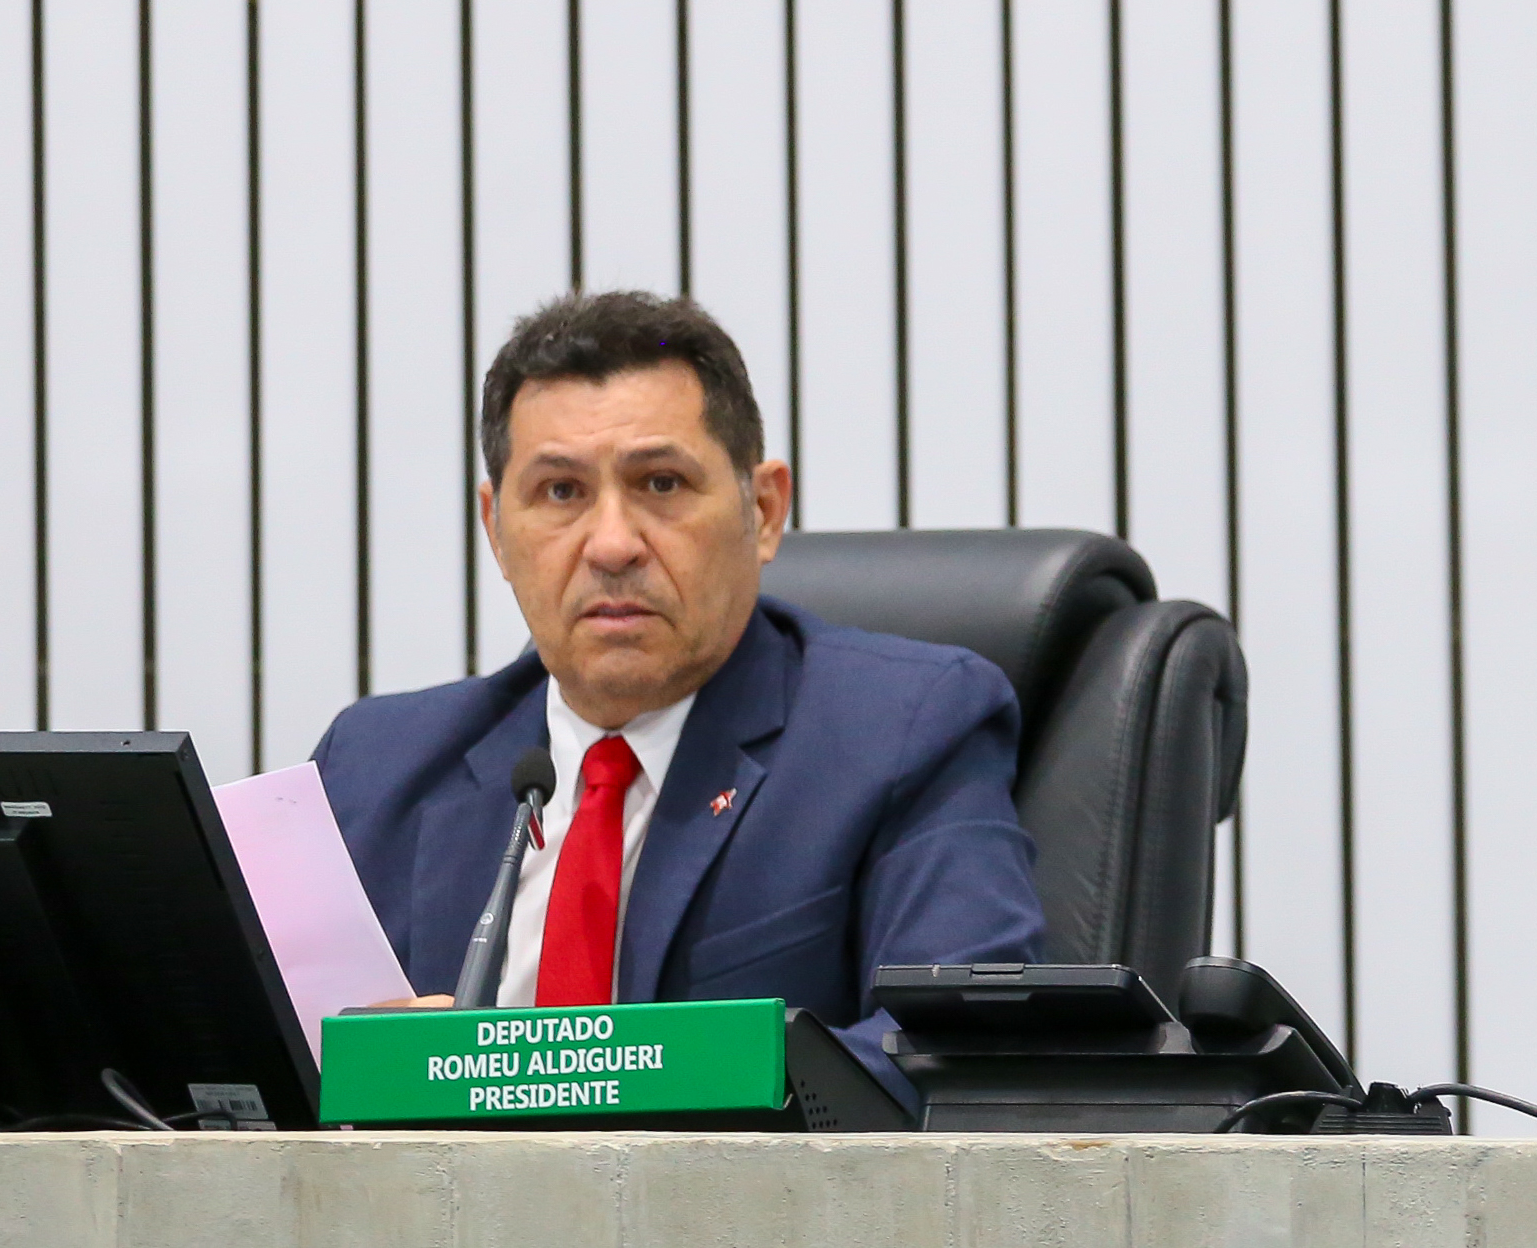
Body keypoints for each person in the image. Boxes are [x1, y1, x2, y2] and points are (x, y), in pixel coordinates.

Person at [316, 290, 1039, 1101]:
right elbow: (247, 1069)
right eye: (561, 492)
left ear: (763, 511)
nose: (612, 544)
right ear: (496, 531)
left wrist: (586, 1077)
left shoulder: (900, 732)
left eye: (660, 483)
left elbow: (961, 1053)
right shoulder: (373, 767)